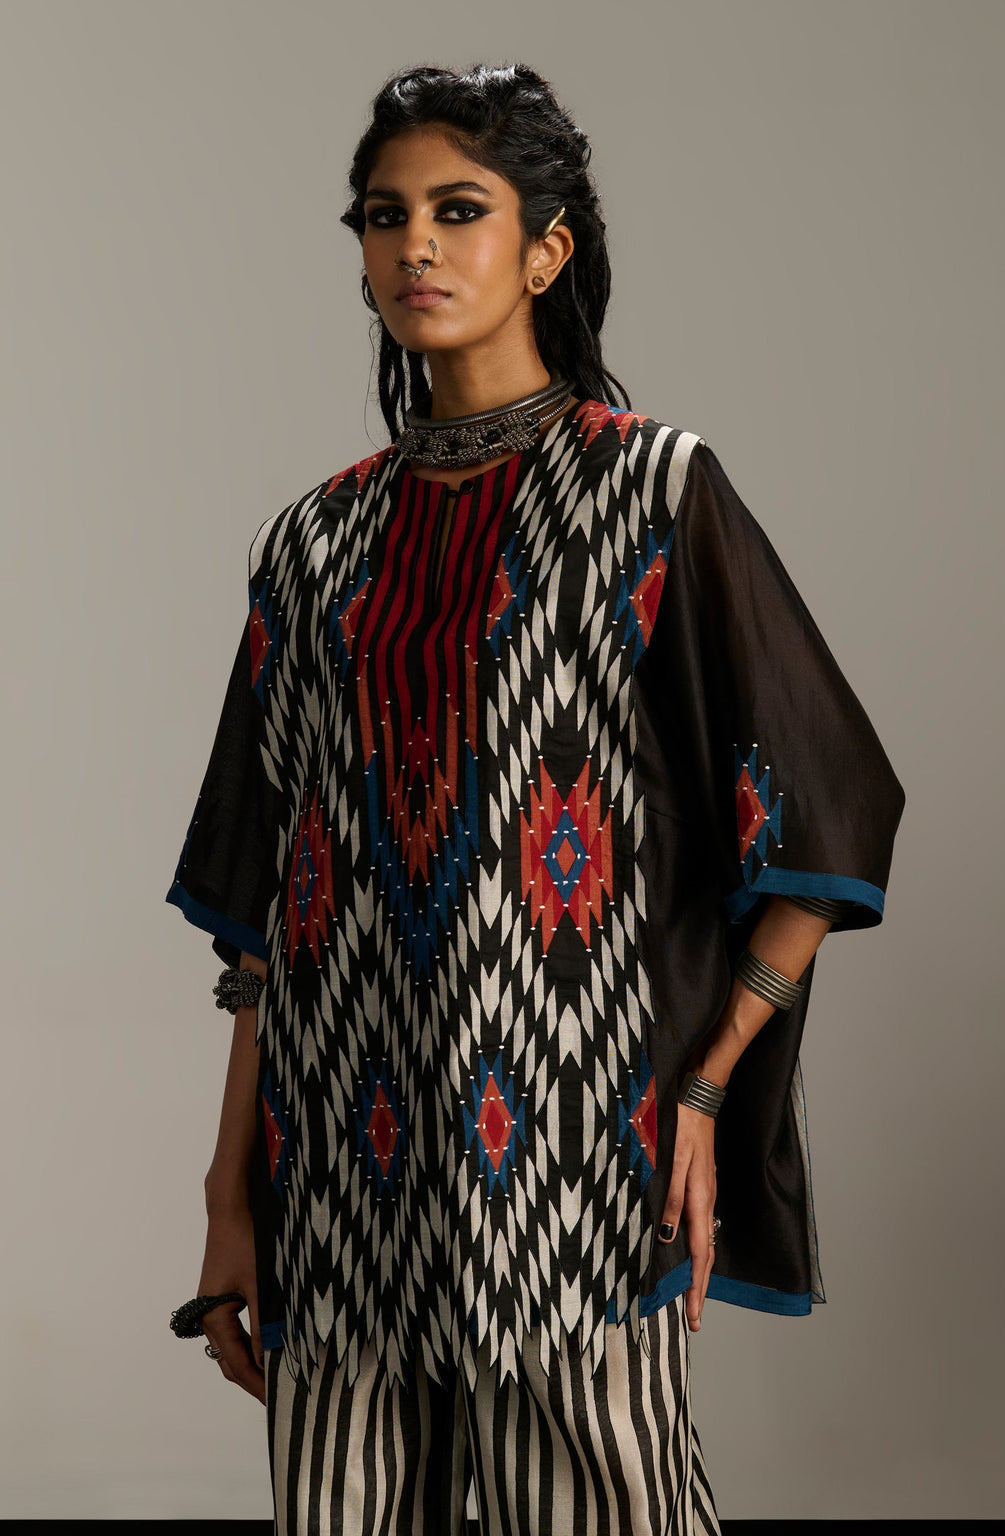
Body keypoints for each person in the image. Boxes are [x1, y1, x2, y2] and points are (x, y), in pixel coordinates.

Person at [165, 61, 906, 1536]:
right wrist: (228, 1196)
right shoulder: (315, 545)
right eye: (385, 217)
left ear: (546, 249)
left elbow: (827, 809)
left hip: (570, 1166)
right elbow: (269, 922)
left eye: (459, 210)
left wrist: (702, 1087)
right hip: (344, 1181)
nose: (415, 248)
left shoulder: (655, 497)